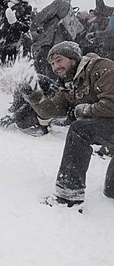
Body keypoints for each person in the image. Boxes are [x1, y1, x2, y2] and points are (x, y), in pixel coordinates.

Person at [22, 41, 114, 212]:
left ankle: (68, 197)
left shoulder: (101, 68)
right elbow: (48, 110)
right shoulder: (69, 87)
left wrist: (84, 109)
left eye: (59, 60)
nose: (55, 67)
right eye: (52, 63)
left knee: (79, 130)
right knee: (111, 191)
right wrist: (32, 94)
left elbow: (111, 104)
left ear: (73, 58)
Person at [30, 0, 81, 79]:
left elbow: (41, 16)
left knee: (40, 70)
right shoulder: (71, 11)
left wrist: (33, 28)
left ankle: (41, 91)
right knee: (54, 73)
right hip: (62, 48)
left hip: (49, 43)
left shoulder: (60, 3)